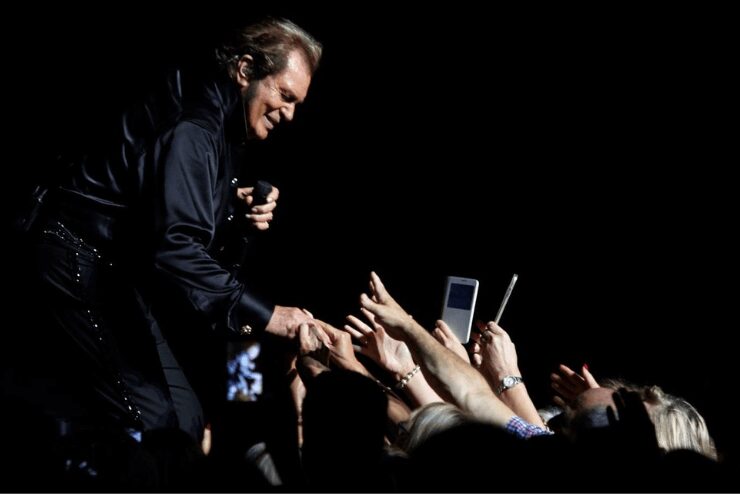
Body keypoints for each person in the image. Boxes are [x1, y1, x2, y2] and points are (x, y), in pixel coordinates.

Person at [26, 17, 322, 441]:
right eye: (285, 95)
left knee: (190, 416)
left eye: (298, 103)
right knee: (165, 424)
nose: (290, 114)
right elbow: (175, 247)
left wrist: (231, 210)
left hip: (141, 282)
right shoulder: (198, 124)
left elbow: (168, 209)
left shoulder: (222, 124)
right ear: (244, 71)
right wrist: (271, 316)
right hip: (82, 263)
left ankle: (237, 447)